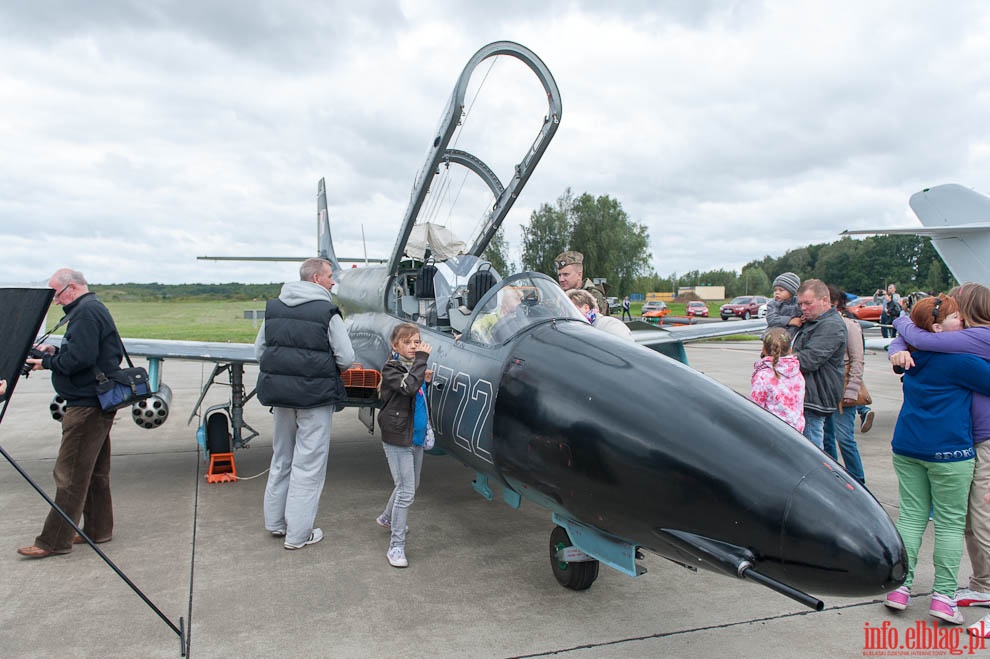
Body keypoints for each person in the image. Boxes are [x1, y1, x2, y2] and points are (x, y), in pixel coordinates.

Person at [887, 283, 990, 637]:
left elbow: (909, 341)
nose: (961, 322)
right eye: (954, 317)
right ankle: (944, 596)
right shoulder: (962, 361)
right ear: (936, 328)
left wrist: (898, 341)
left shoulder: (911, 356)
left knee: (913, 518)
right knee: (948, 523)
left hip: (907, 447)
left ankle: (899, 586)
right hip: (950, 453)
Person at [17, 268, 123, 558]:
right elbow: (85, 353)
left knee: (69, 475)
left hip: (87, 406)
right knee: (95, 471)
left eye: (56, 295)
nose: (55, 301)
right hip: (97, 403)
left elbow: (81, 358)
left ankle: (53, 541)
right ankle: (99, 529)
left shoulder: (85, 313)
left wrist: (47, 363)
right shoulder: (90, 308)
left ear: (72, 288)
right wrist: (54, 351)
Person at [255, 258, 355, 550]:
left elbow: (259, 350)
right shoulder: (327, 312)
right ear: (315, 279)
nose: (333, 281)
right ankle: (298, 535)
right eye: (329, 277)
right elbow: (346, 358)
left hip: (281, 398)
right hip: (315, 399)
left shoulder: (274, 309)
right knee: (308, 465)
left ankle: (275, 523)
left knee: (282, 457)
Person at [377, 323, 433, 568]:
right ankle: (396, 546)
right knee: (406, 491)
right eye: (408, 343)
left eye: (417, 342)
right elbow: (408, 388)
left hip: (416, 437)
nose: (414, 347)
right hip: (398, 439)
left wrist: (424, 379)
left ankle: (387, 518)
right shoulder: (391, 369)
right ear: (395, 346)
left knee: (408, 486)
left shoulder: (415, 370)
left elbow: (417, 396)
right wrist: (422, 361)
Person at [791, 279, 847, 450]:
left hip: (815, 398)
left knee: (810, 451)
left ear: (824, 301)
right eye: (800, 304)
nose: (803, 308)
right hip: (808, 396)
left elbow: (809, 360)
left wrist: (776, 360)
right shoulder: (811, 321)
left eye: (808, 303)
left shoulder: (831, 326)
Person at [821, 286, 866, 485]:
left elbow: (858, 360)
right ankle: (834, 481)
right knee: (826, 438)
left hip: (844, 389)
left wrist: (852, 389)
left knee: (844, 438)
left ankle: (859, 481)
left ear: (836, 303)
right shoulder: (817, 325)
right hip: (825, 390)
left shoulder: (849, 325)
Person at [749, 327, 805, 432]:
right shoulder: (796, 372)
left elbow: (754, 408)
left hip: (773, 432)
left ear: (764, 349)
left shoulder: (763, 376)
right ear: (790, 349)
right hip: (796, 432)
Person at [566, 289, 634, 341]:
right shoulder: (577, 330)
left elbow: (626, 351)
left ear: (586, 308)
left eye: (571, 309)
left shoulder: (609, 325)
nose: (567, 314)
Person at [555, 251, 609, 315]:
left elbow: (597, 322)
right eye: (559, 275)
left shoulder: (592, 295)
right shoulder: (559, 294)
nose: (561, 279)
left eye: (566, 274)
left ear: (579, 275)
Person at [764, 272, 803, 337]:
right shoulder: (773, 304)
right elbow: (771, 319)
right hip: (775, 335)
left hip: (793, 334)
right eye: (775, 290)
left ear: (791, 292)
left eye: (781, 290)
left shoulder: (798, 303)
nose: (777, 293)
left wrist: (803, 318)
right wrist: (790, 321)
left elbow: (802, 313)